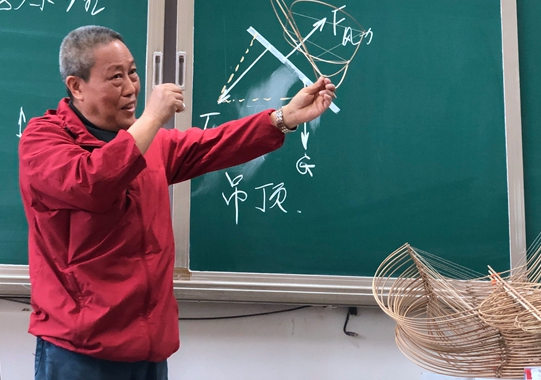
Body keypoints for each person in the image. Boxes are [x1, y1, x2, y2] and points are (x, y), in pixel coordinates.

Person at [19, 25, 336, 380]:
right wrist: (153, 118)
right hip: (79, 350)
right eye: (116, 77)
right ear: (76, 86)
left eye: (133, 72)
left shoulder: (149, 143)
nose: (131, 87)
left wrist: (283, 118)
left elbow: (214, 144)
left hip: (148, 346)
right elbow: (93, 183)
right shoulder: (43, 141)